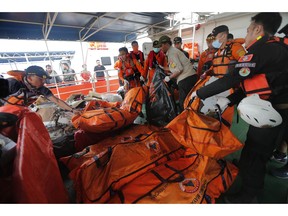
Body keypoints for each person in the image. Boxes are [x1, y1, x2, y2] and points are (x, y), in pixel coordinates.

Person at [191, 13, 288, 203]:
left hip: (271, 112)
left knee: (255, 154)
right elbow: (257, 82)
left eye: (248, 30)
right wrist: (230, 99)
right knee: (255, 150)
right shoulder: (276, 48)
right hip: (272, 107)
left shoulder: (262, 49)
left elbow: (234, 77)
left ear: (258, 29)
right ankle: (247, 170)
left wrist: (200, 93)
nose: (247, 34)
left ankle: (249, 196)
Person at [200, 25, 246, 125]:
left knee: (224, 114)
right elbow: (216, 66)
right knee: (212, 112)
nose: (213, 41)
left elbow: (246, 64)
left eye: (215, 37)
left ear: (223, 36)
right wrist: (207, 72)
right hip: (218, 86)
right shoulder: (218, 52)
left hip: (229, 87)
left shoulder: (235, 47)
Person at [3, 65, 75, 112]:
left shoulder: (41, 89)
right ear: (30, 78)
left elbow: (57, 101)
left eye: (44, 79)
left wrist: (73, 110)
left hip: (18, 112)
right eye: (41, 79)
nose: (44, 82)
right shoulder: (12, 83)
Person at [159, 35, 197, 112]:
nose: (160, 48)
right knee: (188, 100)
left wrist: (169, 78)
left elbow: (179, 69)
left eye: (161, 46)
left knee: (183, 102)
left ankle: (185, 120)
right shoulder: (172, 51)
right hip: (190, 77)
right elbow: (174, 67)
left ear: (166, 44)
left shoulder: (172, 53)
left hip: (186, 79)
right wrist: (163, 68)